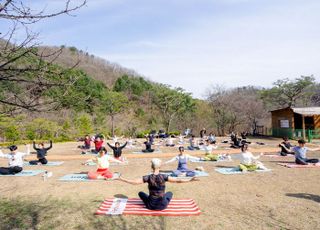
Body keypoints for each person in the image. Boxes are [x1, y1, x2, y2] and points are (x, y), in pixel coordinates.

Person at [116, 158, 199, 210]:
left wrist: (121, 178)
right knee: (170, 193)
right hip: (162, 205)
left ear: (152, 167)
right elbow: (178, 180)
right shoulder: (164, 176)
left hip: (150, 205)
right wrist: (190, 179)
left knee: (140, 193)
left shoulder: (148, 177)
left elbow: (134, 182)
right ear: (160, 167)